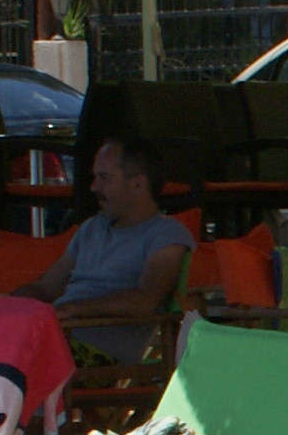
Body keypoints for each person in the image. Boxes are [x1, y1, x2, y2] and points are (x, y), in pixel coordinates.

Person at [14, 138, 191, 363]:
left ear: (137, 184)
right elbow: (47, 287)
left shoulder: (167, 235)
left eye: (104, 178)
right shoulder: (91, 228)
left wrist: (74, 310)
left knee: (3, 362)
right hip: (57, 339)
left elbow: (145, 301)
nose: (94, 187)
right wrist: (5, 307)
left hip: (96, 355)